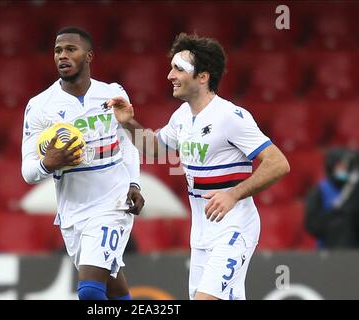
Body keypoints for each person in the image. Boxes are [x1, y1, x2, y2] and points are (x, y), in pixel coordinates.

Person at [105, 33, 290, 300]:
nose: (170, 75)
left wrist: (234, 193)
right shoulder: (181, 117)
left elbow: (278, 163)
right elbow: (154, 149)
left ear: (203, 76)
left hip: (234, 229)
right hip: (202, 234)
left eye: (178, 69)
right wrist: (127, 122)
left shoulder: (230, 117)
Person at [21, 27, 144, 300]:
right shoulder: (40, 106)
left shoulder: (112, 93)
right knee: (113, 288)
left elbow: (127, 143)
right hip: (73, 213)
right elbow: (28, 171)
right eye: (57, 51)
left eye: (70, 50)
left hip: (113, 204)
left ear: (89, 56)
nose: (62, 56)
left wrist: (134, 182)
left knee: (89, 291)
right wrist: (48, 163)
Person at [305, 148, 359, 249]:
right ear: (331, 166)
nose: (344, 169)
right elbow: (312, 226)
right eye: (340, 166)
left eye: (347, 166)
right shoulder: (320, 191)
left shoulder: (354, 192)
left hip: (354, 254)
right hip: (327, 253)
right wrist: (335, 213)